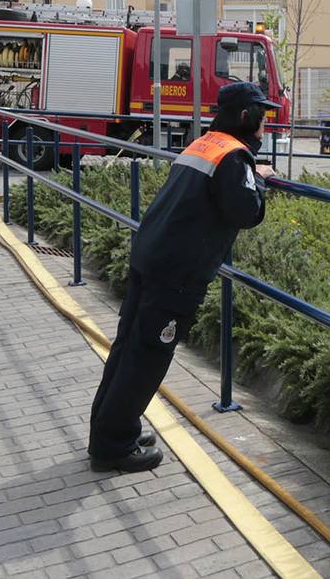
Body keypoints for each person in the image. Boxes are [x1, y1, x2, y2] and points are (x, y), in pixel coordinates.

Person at [89, 82, 277, 473]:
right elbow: (247, 212)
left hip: (151, 256)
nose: (266, 124)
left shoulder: (204, 144)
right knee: (147, 358)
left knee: (127, 349)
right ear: (246, 117)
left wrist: (247, 171)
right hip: (175, 272)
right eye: (262, 116)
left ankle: (109, 428)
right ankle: (113, 446)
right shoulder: (234, 157)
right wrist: (258, 178)